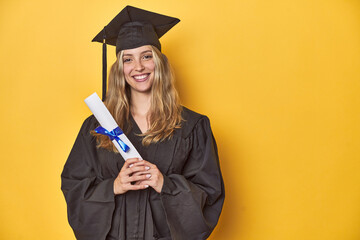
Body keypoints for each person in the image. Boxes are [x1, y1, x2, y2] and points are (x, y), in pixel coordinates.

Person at [61, 5, 225, 240]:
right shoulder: (97, 127)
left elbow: (211, 195)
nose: (138, 67)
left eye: (146, 56)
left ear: (159, 62)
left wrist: (164, 183)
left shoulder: (192, 126)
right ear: (120, 69)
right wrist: (114, 187)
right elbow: (73, 186)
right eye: (128, 59)